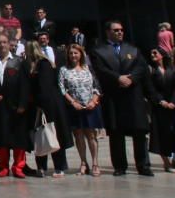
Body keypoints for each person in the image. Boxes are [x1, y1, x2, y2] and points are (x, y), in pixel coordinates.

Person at [90, 21, 152, 176]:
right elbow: (100, 70)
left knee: (139, 132)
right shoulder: (98, 51)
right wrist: (118, 78)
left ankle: (143, 165)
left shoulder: (132, 49)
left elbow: (141, 67)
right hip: (114, 96)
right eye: (116, 30)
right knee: (116, 133)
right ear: (108, 32)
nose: (119, 32)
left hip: (133, 95)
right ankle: (120, 166)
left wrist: (131, 78)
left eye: (121, 30)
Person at [0, 33, 31, 178]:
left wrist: (23, 104)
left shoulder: (18, 61)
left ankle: (18, 167)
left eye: (4, 42)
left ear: (9, 44)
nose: (2, 45)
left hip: (17, 106)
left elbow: (25, 84)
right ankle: (3, 167)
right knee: (1, 137)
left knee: (18, 137)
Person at [26, 41, 71, 178]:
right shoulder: (35, 65)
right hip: (41, 106)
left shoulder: (43, 64)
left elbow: (44, 88)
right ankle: (42, 166)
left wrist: (40, 104)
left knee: (53, 135)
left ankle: (59, 166)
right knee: (41, 137)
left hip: (49, 106)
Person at [58, 44, 103, 177]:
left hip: (90, 105)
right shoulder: (64, 70)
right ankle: (83, 162)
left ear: (81, 54)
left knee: (91, 135)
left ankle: (95, 163)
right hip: (74, 106)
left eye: (76, 53)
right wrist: (72, 102)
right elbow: (62, 88)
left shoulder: (88, 68)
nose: (73, 56)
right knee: (78, 134)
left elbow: (96, 86)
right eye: (71, 53)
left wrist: (93, 101)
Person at [147, 49, 175, 173]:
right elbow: (150, 89)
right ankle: (167, 164)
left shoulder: (171, 70)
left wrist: (174, 102)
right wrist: (161, 101)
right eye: (152, 53)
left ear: (162, 55)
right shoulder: (151, 71)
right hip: (160, 108)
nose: (153, 55)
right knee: (162, 136)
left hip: (173, 108)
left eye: (155, 53)